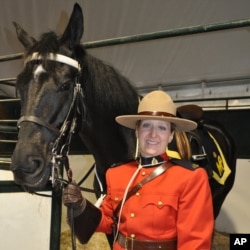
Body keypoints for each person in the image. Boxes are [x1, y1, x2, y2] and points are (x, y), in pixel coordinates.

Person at [63, 90, 214, 250]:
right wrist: (80, 206)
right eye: (146, 125)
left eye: (162, 128)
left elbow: (195, 243)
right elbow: (107, 222)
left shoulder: (190, 178)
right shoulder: (116, 174)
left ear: (170, 136)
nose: (153, 135)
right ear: (137, 131)